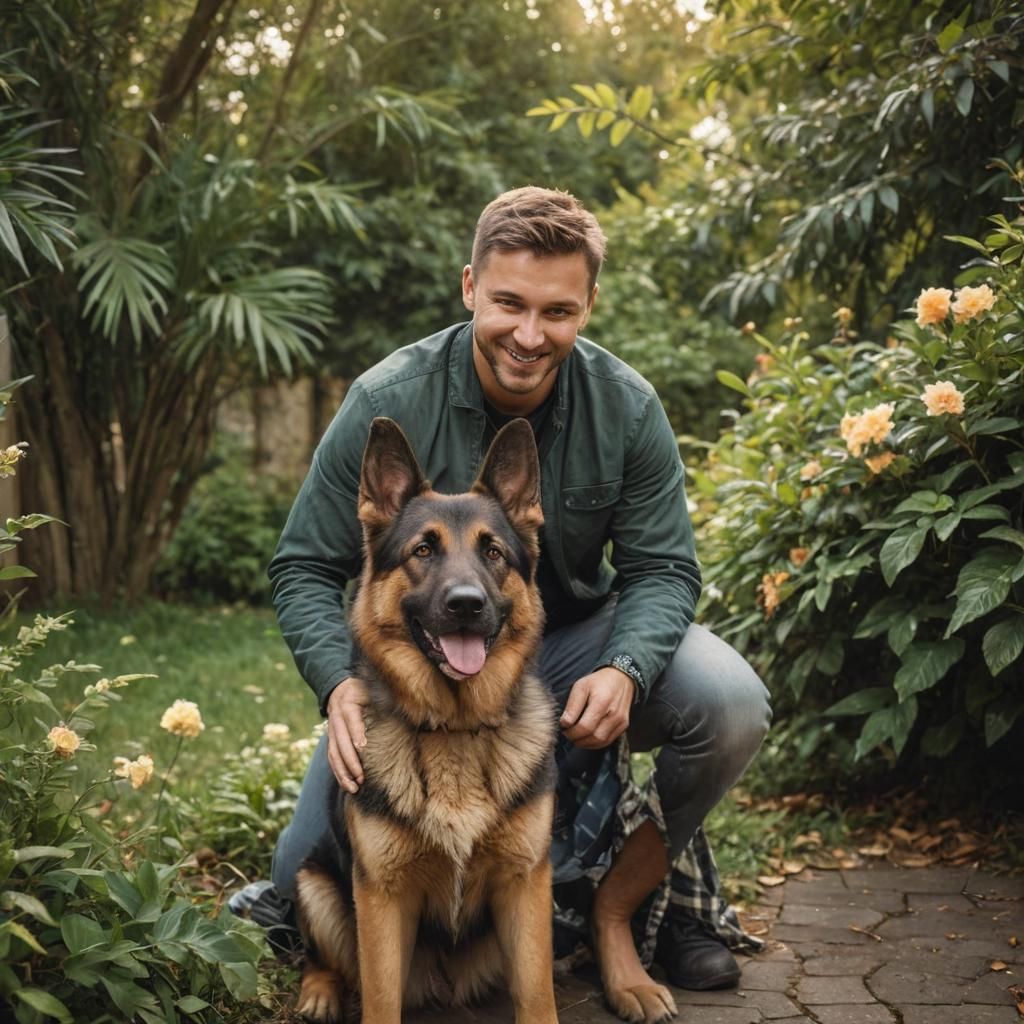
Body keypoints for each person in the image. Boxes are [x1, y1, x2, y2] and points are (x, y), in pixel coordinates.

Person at [251, 186, 771, 1014]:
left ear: (588, 304)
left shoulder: (628, 408)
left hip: (570, 646)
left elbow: (666, 569)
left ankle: (613, 914)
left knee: (732, 702)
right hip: (422, 667)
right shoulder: (389, 396)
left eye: (558, 311)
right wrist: (337, 682)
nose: (530, 335)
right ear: (469, 288)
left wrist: (629, 669)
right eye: (509, 304)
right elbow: (303, 567)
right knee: (301, 880)